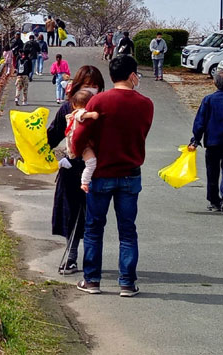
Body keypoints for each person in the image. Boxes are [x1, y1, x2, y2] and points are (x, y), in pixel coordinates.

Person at [72, 55, 154, 297]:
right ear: (133, 76)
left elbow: (80, 134)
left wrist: (79, 151)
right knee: (127, 231)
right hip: (130, 173)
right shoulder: (146, 104)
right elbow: (143, 132)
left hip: (101, 173)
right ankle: (127, 282)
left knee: (94, 228)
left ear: (111, 76)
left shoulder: (99, 101)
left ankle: (92, 280)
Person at [47, 65, 106, 275]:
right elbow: (53, 135)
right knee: (70, 214)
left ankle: (91, 262)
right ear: (78, 86)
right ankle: (71, 256)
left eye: (95, 86)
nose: (91, 89)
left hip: (96, 170)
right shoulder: (67, 108)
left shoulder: (103, 111)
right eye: (87, 85)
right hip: (71, 169)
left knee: (93, 218)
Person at [188, 70, 223, 216]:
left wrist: (195, 139)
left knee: (212, 171)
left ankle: (214, 200)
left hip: (213, 141)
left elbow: (200, 122)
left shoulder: (208, 100)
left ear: (214, 82)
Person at [65, 91, 99, 193]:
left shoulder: (73, 115)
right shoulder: (78, 113)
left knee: (90, 162)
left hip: (79, 144)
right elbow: (81, 114)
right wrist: (92, 114)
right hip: (81, 145)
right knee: (91, 162)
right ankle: (85, 182)